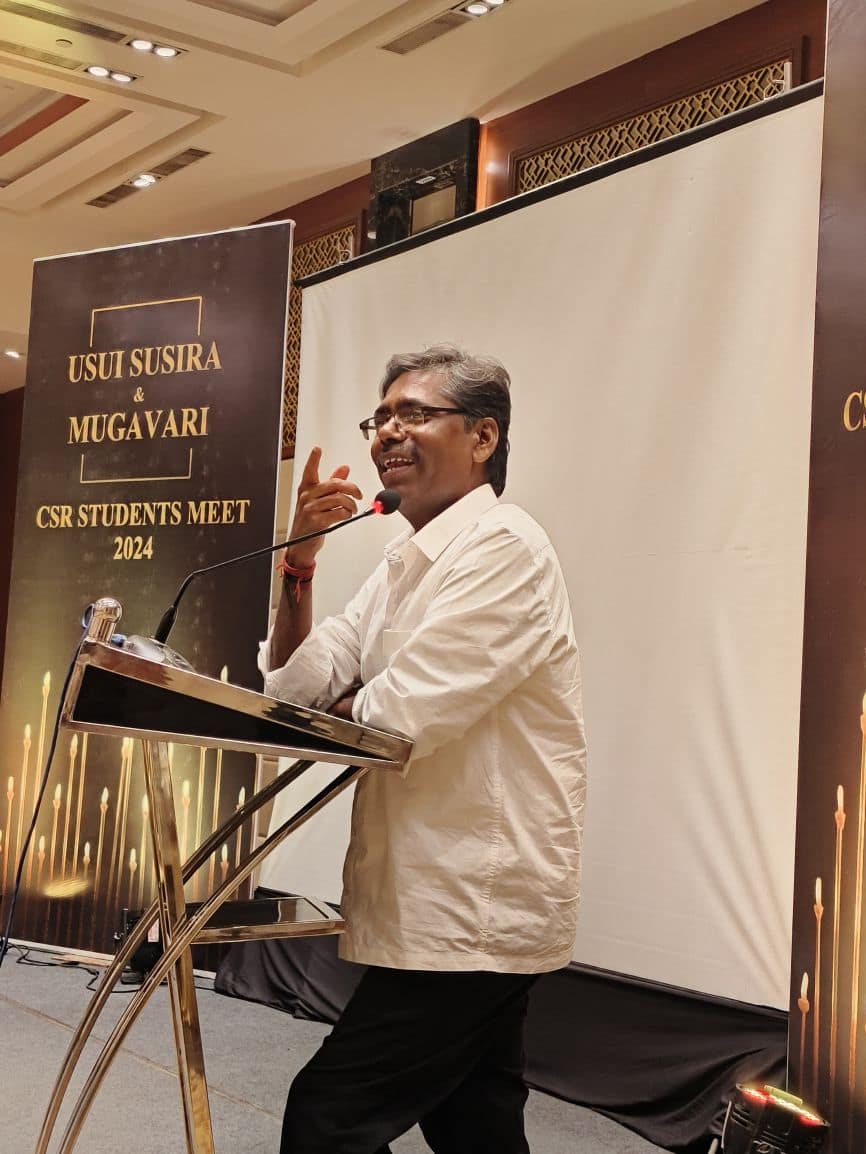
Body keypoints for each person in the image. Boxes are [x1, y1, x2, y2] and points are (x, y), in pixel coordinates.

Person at [259, 344, 587, 1154]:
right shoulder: (403, 563)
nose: (387, 433)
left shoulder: (505, 547)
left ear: (483, 437)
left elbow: (399, 716)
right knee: (474, 1122)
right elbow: (296, 688)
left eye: (414, 413)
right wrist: (299, 563)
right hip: (431, 892)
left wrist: (352, 698)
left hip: (474, 898)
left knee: (328, 1117)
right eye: (379, 418)